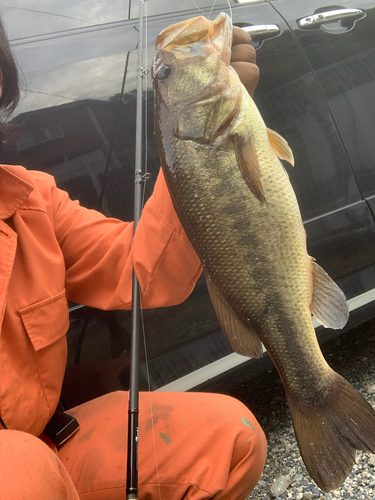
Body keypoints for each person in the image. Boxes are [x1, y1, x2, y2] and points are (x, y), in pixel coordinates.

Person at [0, 15, 266, 500]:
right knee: (21, 470)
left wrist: (200, 139)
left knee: (229, 438)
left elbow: (144, 268)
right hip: (21, 470)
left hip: (43, 448)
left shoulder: (27, 201)